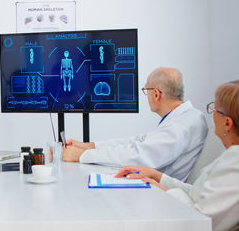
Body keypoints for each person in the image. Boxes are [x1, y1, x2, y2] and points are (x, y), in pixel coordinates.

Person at [116, 80, 239, 231]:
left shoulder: (235, 162)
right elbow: (198, 194)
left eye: (214, 109)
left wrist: (163, 191)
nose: (212, 114)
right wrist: (157, 176)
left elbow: (199, 219)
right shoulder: (230, 155)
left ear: (227, 123)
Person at [62, 67, 208, 181]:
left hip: (161, 195)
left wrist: (82, 155)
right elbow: (140, 140)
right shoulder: (188, 116)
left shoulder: (179, 126)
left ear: (156, 94)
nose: (146, 95)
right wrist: (89, 146)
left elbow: (138, 156)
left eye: (146, 90)